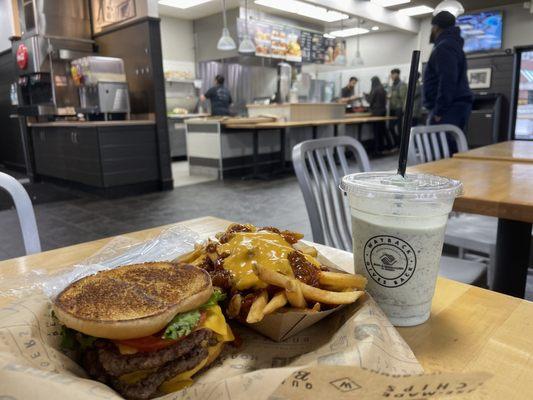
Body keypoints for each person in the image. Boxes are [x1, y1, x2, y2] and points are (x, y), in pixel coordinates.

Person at [423, 11, 473, 153]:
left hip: (448, 108)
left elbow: (447, 80)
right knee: (450, 151)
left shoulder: (444, 46)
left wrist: (439, 110)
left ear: (436, 27)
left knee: (439, 153)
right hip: (454, 106)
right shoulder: (453, 44)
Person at [365, 76, 393, 155]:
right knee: (383, 130)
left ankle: (378, 149)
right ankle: (388, 147)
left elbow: (370, 101)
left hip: (376, 112)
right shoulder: (382, 89)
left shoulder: (375, 89)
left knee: (376, 131)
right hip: (383, 111)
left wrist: (365, 95)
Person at [388, 68, 407, 145]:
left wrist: (404, 110)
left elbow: (404, 98)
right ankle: (397, 143)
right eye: (391, 74)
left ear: (397, 74)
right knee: (390, 127)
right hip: (392, 108)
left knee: (399, 129)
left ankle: (400, 145)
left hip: (399, 108)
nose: (391, 76)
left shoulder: (402, 84)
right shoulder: (393, 84)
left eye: (393, 74)